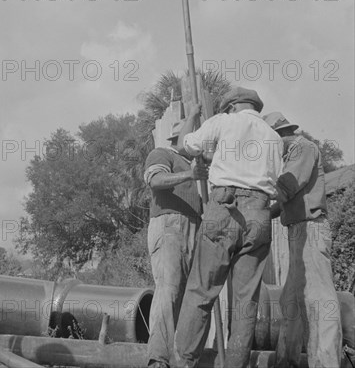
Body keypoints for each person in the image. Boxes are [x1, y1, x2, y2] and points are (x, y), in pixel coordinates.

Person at [173, 86, 282, 368]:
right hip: (259, 211)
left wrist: (194, 115)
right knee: (246, 304)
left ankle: (184, 362)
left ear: (232, 106)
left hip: (224, 206)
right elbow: (273, 180)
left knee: (201, 291)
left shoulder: (224, 121)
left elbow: (187, 145)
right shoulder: (273, 136)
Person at [263, 112, 342, 368]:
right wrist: (258, 214)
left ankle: (326, 362)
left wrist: (256, 196)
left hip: (311, 229)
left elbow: (286, 188)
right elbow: (283, 203)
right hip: (297, 231)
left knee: (319, 299)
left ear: (279, 135)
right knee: (291, 301)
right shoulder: (291, 153)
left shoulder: (303, 148)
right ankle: (287, 361)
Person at [144, 119, 207, 368]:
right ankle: (158, 359)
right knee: (168, 290)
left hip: (193, 227)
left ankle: (182, 360)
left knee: (190, 296)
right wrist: (189, 175)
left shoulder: (194, 165)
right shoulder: (161, 153)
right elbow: (155, 181)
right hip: (170, 225)